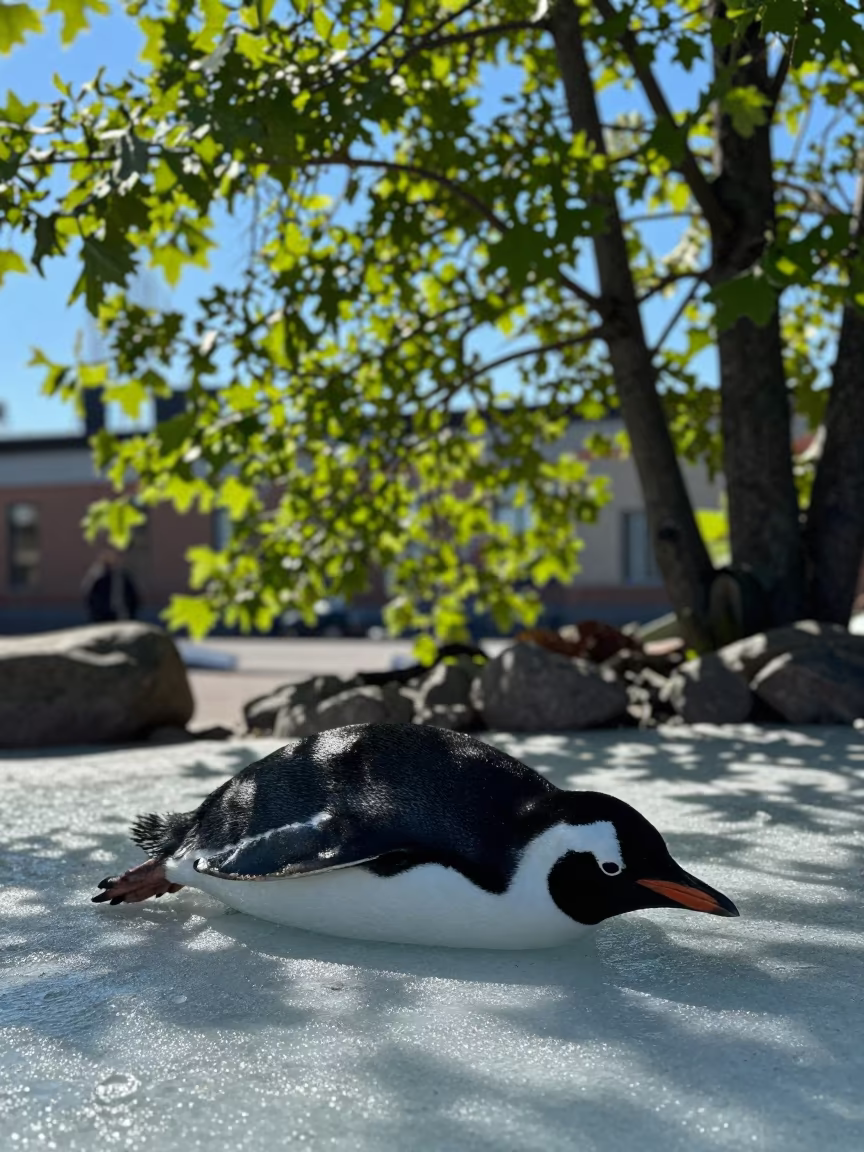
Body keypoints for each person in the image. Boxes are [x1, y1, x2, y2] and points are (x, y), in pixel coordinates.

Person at [82, 549, 141, 623]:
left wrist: (131, 612)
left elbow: (133, 596)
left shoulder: (122, 577)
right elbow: (90, 596)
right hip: (102, 616)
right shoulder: (98, 577)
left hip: (122, 615)